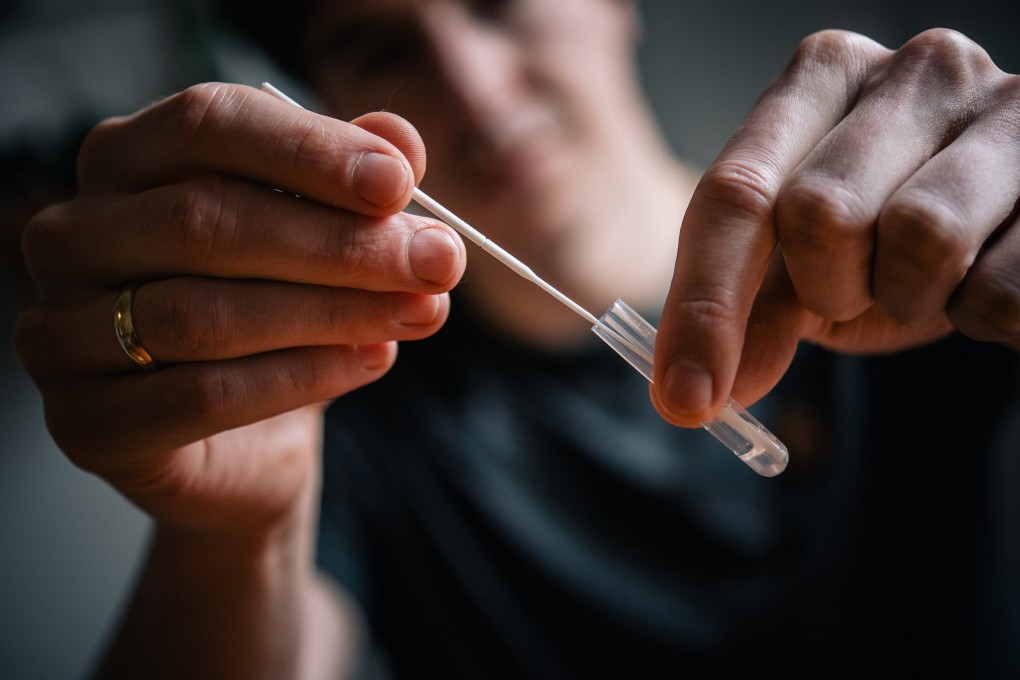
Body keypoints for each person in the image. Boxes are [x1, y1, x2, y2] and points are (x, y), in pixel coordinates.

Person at [12, 0, 1019, 677]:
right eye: (381, 44)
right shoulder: (346, 401)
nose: (478, 91)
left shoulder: (923, 255)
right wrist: (232, 532)